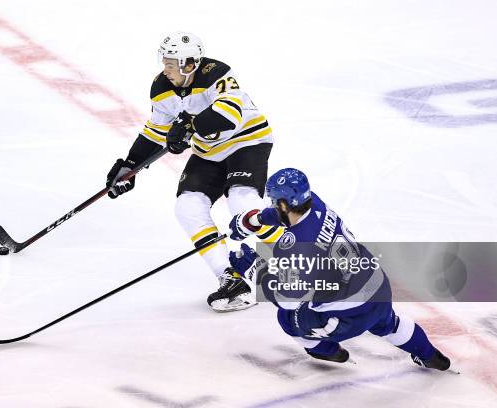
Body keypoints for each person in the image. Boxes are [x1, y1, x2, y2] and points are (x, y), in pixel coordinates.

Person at [106, 32, 283, 312]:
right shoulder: (161, 87)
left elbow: (228, 116)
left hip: (247, 143)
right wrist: (130, 165)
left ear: (190, 64)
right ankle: (231, 279)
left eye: (172, 63)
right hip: (208, 153)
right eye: (165, 61)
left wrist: (189, 125)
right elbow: (155, 131)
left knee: (242, 203)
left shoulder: (217, 74)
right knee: (187, 206)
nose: (167, 68)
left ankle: (298, 260)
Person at [226, 168, 451, 370]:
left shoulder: (295, 247)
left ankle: (331, 353)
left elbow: (286, 298)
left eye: (274, 202)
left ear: (283, 204)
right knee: (389, 324)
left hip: (350, 315)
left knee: (287, 317)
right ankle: (432, 357)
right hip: (377, 286)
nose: (273, 205)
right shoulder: (315, 202)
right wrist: (253, 220)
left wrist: (254, 269)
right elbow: (285, 213)